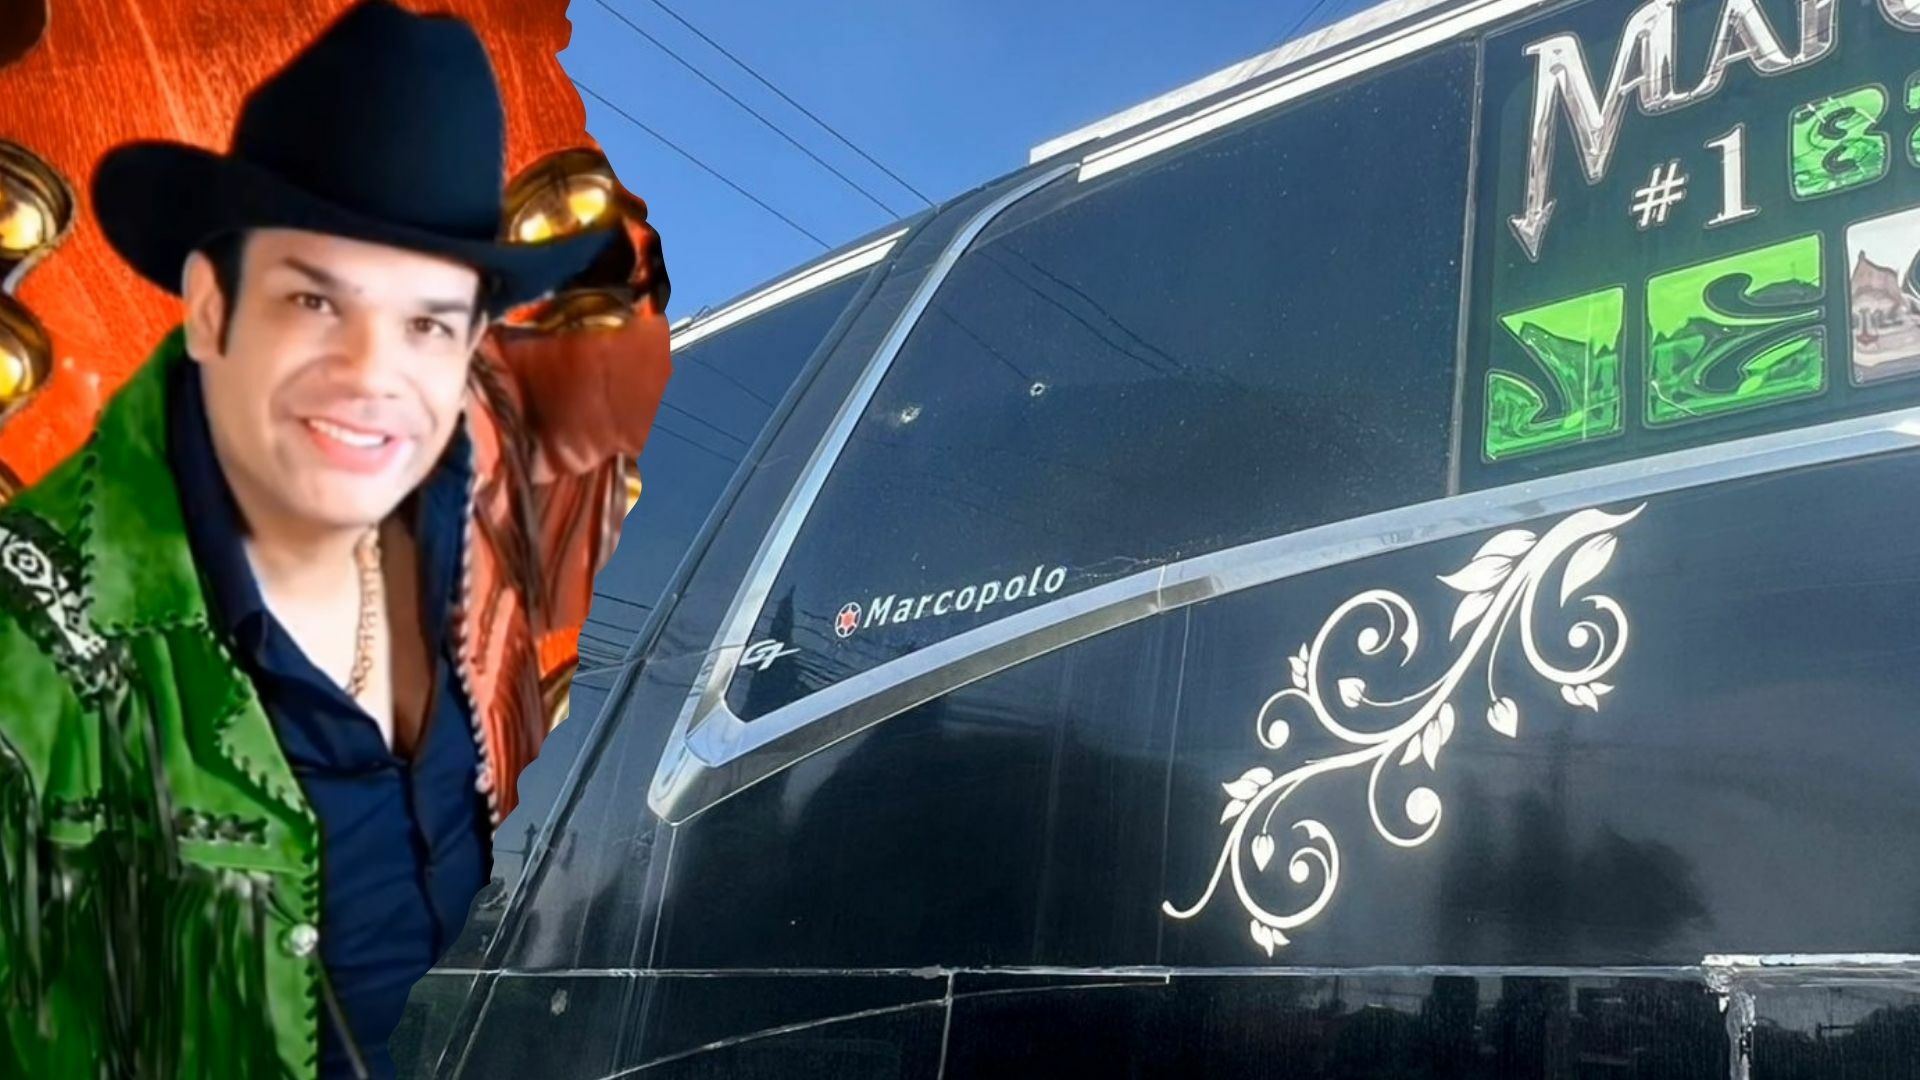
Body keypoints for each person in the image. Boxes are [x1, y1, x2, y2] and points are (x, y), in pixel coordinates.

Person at [0, 2, 671, 1076]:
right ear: (212, 309)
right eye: (317, 300)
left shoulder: (466, 623)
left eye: (428, 321)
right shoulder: (39, 640)